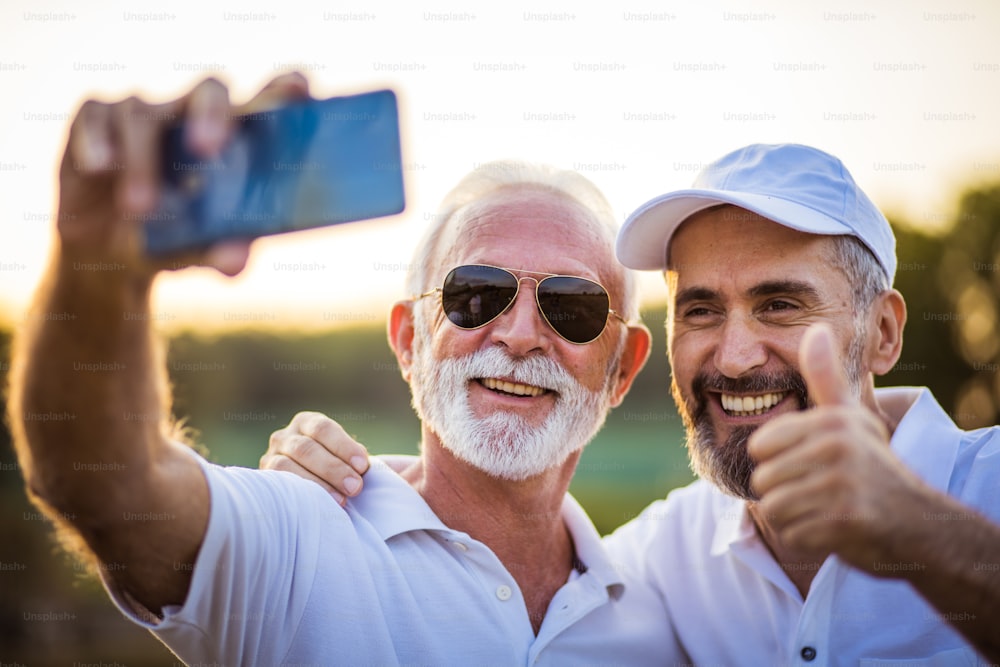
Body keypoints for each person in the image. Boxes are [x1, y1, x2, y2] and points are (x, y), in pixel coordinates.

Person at [7, 74, 682, 665]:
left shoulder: (667, 614)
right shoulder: (296, 539)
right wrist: (100, 271)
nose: (520, 333)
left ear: (622, 367)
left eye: (572, 306)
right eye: (475, 294)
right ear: (409, 342)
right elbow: (104, 482)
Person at [263, 143, 1000, 664]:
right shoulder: (662, 562)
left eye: (780, 304)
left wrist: (921, 534)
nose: (736, 355)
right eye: (703, 310)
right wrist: (369, 484)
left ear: (883, 332)